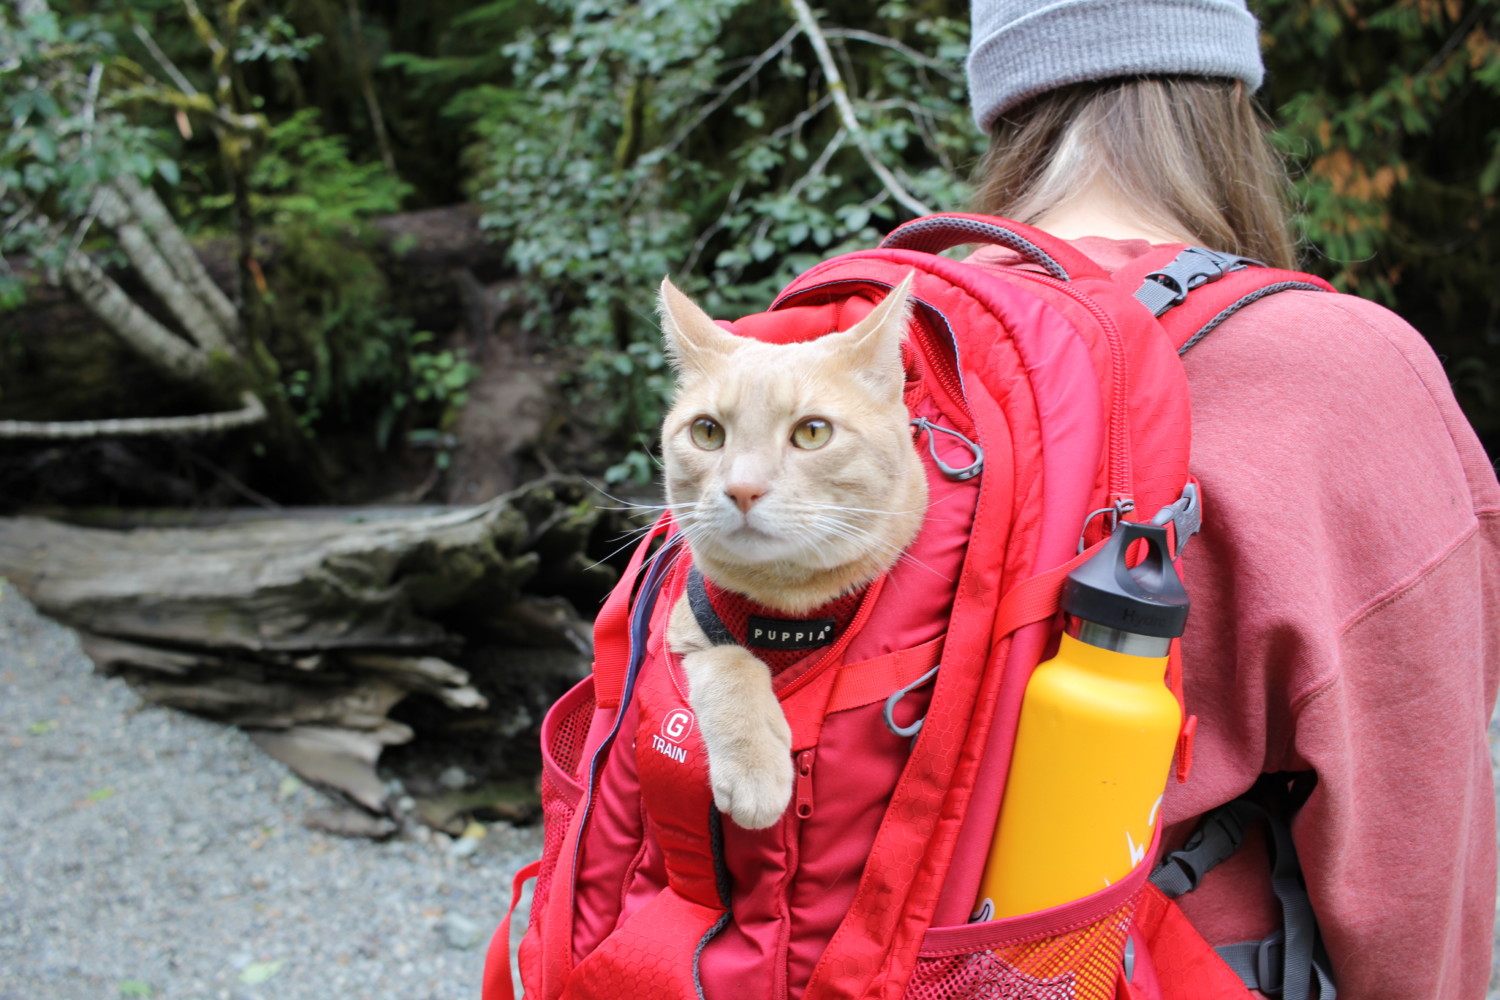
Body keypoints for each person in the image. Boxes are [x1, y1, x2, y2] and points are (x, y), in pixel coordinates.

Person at [964, 2, 1500, 998]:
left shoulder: (871, 341)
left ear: (999, 102)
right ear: (1232, 99)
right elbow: (1415, 857)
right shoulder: (1346, 375)